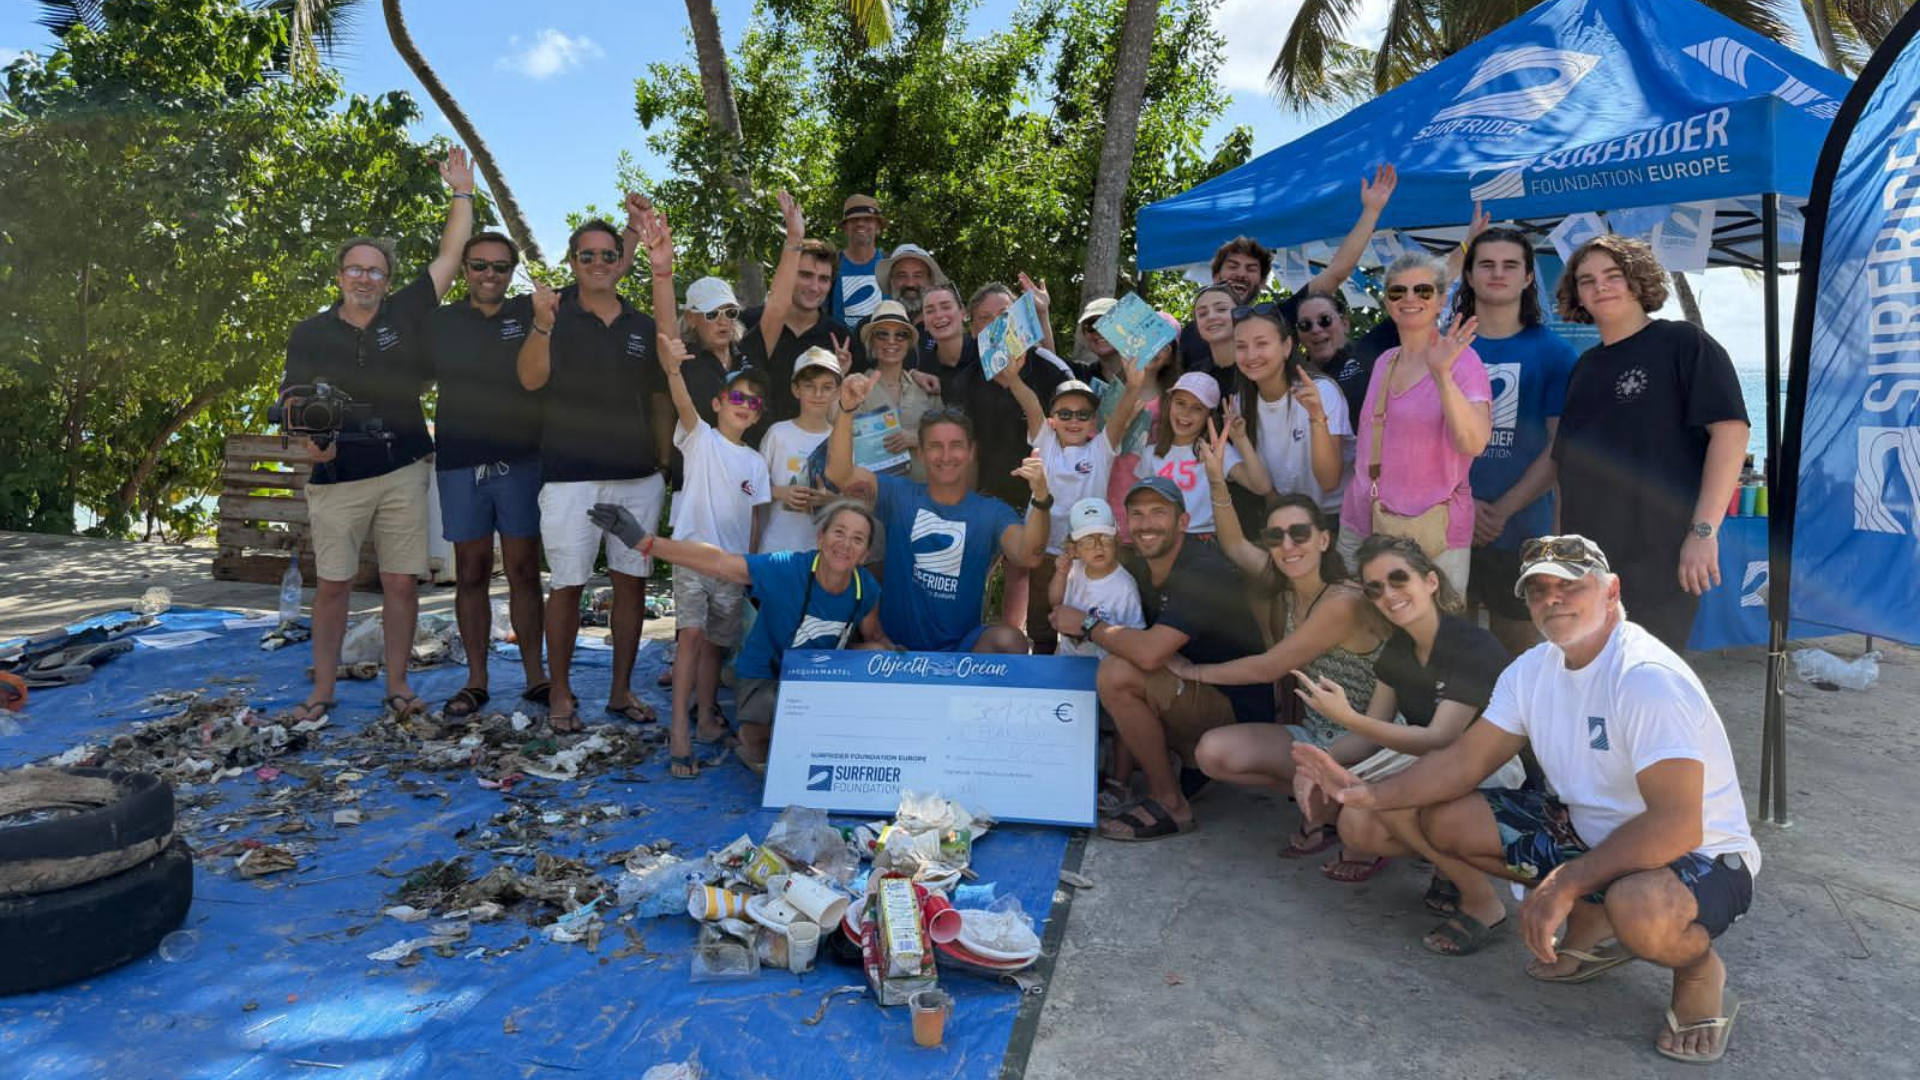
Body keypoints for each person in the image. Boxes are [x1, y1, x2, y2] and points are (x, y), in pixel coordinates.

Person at [1295, 534, 1759, 1065]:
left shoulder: (1644, 678)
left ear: (1611, 591)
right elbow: (1464, 762)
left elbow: (1677, 826)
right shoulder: (1532, 669)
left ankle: (1700, 972)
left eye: (1570, 585)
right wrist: (1363, 791)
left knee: (1641, 907)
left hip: (1700, 854)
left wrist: (1566, 881)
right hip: (1589, 834)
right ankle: (1593, 921)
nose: (1552, 599)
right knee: (1445, 820)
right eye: (1538, 590)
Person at [281, 148, 475, 724]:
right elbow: (291, 401)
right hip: (336, 475)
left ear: (387, 281)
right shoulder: (310, 332)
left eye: (375, 271)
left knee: (401, 584)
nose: (365, 278)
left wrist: (461, 192)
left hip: (403, 466)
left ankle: (397, 684)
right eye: (355, 269)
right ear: (340, 277)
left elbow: (449, 255)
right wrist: (313, 443)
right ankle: (322, 691)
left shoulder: (406, 313)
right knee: (334, 587)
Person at [1290, 535, 1528, 931]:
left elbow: (1441, 737)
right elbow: (1372, 736)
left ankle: (1476, 894)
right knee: (1356, 826)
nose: (1389, 593)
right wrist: (1317, 761)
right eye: (1376, 588)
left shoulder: (1471, 644)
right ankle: (1445, 863)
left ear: (1431, 582)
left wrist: (1347, 717)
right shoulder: (1399, 648)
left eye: (1399, 579)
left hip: (1497, 769)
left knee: (1388, 797)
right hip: (1441, 765)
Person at [589, 499, 892, 775]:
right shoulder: (787, 569)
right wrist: (646, 542)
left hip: (819, 676)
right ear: (820, 537)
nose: (845, 544)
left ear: (865, 554)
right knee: (765, 742)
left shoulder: (865, 588)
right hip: (766, 676)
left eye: (857, 539)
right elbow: (720, 561)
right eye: (838, 532)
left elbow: (875, 637)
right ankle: (761, 736)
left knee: (878, 653)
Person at [1552, 236, 1749, 653]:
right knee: (1591, 676)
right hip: (1590, 561)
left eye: (1613, 275)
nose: (1600, 286)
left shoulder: (1683, 343)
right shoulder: (1585, 367)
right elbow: (1565, 468)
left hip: (1660, 555)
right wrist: (1560, 553)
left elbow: (1731, 434)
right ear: (1577, 296)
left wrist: (1703, 531)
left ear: (1638, 280)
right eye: (1587, 280)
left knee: (1648, 679)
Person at [1176, 484, 1386, 857]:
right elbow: (1236, 545)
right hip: (1318, 732)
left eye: (1299, 533)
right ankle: (1331, 806)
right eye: (1276, 536)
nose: (1288, 545)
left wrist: (1193, 672)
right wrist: (1215, 476)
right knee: (1213, 753)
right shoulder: (1288, 589)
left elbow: (1271, 667)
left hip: (1371, 739)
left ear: (1323, 540)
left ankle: (1343, 810)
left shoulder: (1343, 600)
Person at [517, 217, 665, 733]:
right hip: (569, 476)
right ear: (572, 261)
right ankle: (560, 692)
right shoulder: (552, 311)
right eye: (588, 256)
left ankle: (621, 690)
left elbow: (659, 397)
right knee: (568, 586)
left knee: (632, 586)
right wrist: (540, 325)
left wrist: (663, 461)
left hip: (636, 475)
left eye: (608, 255)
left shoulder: (642, 325)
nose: (599, 264)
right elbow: (531, 379)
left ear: (621, 262)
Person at [1058, 476, 1267, 841]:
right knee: (1116, 663)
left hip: (1235, 708)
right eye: (1137, 514)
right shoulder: (1136, 568)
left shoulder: (1203, 571)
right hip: (1190, 689)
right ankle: (1185, 765)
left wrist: (1087, 623)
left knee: (1117, 672)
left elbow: (1151, 653)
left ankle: (1170, 802)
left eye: (1159, 512)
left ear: (1183, 522)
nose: (1146, 523)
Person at [825, 374, 1051, 653]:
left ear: (971, 452)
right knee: (867, 651)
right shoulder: (898, 494)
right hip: (895, 649)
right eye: (935, 446)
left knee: (1011, 641)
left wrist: (1041, 497)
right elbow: (839, 474)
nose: (946, 455)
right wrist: (846, 411)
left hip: (961, 653)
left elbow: (1030, 554)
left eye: (956, 446)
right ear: (920, 453)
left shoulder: (991, 512)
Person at [426, 229, 550, 718]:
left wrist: (631, 230)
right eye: (479, 265)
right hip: (459, 461)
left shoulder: (528, 312)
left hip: (521, 459)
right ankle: (476, 680)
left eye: (500, 267)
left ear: (512, 271)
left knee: (523, 571)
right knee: (471, 573)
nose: (489, 275)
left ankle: (535, 676)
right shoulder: (441, 321)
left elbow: (601, 275)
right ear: (465, 270)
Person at [655, 332, 772, 777]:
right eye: (738, 396)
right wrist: (672, 368)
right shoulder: (698, 437)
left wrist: (751, 568)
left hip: (732, 567)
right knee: (689, 637)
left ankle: (705, 718)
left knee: (716, 647)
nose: (746, 405)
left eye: (755, 403)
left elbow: (755, 520)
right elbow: (682, 399)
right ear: (719, 402)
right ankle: (679, 732)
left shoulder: (756, 463)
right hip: (691, 557)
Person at [1338, 252, 1491, 590]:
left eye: (1422, 291)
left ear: (1439, 301)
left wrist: (1441, 375)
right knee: (1364, 631)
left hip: (1434, 532)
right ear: (1387, 302)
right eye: (1397, 292)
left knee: (1435, 636)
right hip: (1364, 521)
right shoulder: (1384, 362)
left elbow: (1474, 443)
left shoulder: (1464, 361)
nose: (1409, 298)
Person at [1456, 227, 1577, 656]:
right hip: (1451, 526)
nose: (1497, 274)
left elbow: (1559, 447)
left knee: (1523, 660)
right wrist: (1464, 506)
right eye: (1486, 264)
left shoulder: (1555, 353)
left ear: (1529, 278)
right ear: (1468, 275)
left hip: (1524, 533)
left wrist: (1501, 511)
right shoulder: (1444, 349)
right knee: (1455, 657)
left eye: (1511, 265)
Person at [1177, 164, 1398, 373]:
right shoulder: (1191, 333)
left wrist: (1371, 211)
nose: (1241, 274)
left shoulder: (1276, 318)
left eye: (1251, 269)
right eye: (1233, 266)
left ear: (1263, 283)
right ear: (1216, 277)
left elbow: (1337, 271)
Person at [1012, 356, 1154, 653]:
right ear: (1052, 420)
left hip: (1088, 553)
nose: (1073, 421)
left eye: (1082, 415)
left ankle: (1091, 675)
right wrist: (1014, 379)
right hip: (1047, 550)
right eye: (1064, 414)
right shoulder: (1046, 443)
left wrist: (1133, 386)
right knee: (1042, 623)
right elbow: (1031, 404)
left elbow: (1120, 417)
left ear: (1093, 421)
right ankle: (1043, 677)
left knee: (1086, 621)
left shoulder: (1101, 450)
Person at [1231, 302, 1351, 522]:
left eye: (1261, 344)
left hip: (1336, 517)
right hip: (1285, 517)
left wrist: (1316, 416)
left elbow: (1329, 480)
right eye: (1241, 346)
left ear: (1286, 347)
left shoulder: (1321, 392)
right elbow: (1264, 485)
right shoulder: (1240, 404)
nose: (1251, 355)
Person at [743, 225, 861, 437]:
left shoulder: (842, 339)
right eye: (806, 275)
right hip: (751, 455)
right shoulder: (749, 323)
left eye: (824, 279)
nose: (815, 287)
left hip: (816, 457)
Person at [1133, 372, 1270, 537]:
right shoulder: (1150, 453)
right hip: (1164, 539)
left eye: (1197, 408)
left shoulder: (1217, 451)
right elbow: (1140, 505)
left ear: (1209, 415)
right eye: (1180, 403)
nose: (1186, 413)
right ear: (1169, 404)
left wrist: (1240, 439)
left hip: (1206, 538)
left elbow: (1261, 487)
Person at [760, 349, 843, 553]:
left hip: (823, 553)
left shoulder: (841, 439)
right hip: (775, 547)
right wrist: (781, 492)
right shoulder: (777, 434)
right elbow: (750, 487)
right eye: (809, 386)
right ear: (795, 390)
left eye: (826, 387)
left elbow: (853, 498)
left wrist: (829, 500)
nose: (818, 394)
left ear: (838, 392)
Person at [852, 299, 942, 484]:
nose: (891, 341)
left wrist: (918, 438)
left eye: (900, 335)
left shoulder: (926, 388)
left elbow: (948, 438)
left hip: (924, 497)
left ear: (909, 342)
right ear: (871, 342)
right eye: (882, 335)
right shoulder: (856, 390)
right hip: (874, 497)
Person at [1049, 498, 1145, 660]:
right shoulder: (1074, 570)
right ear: (1074, 549)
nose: (1098, 546)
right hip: (1069, 656)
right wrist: (1061, 574)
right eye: (1087, 540)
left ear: (1116, 541)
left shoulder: (1125, 586)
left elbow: (1137, 633)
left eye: (1105, 538)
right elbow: (1055, 602)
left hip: (1106, 666)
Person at [1294, 291, 1398, 429]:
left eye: (1325, 320)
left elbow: (1412, 309)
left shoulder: (1371, 348)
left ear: (1345, 324)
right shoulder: (1294, 379)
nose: (1315, 330)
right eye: (1305, 325)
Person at [830, 194, 887, 328]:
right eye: (854, 220)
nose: (860, 223)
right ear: (845, 228)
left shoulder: (891, 264)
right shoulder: (831, 264)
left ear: (878, 227)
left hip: (884, 346)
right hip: (839, 346)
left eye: (867, 219)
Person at [1189, 284, 1240, 402]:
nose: (1211, 317)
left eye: (1221, 309)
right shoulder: (1195, 374)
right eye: (1202, 314)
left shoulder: (1259, 365)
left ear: (1239, 314)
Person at [876, 242, 947, 322]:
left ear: (930, 281)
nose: (910, 283)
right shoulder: (872, 326)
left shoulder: (944, 326)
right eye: (902, 275)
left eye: (918, 275)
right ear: (891, 281)